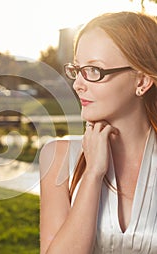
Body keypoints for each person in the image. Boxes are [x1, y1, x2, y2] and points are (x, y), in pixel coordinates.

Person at [39, 11, 157, 254]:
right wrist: (93, 173)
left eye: (94, 71)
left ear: (142, 82)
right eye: (77, 69)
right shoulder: (57, 157)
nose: (77, 84)